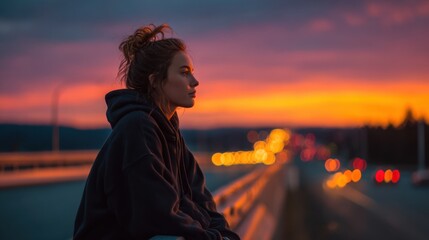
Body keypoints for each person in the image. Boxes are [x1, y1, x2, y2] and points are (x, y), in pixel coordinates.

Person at [73, 24, 240, 240]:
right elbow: (158, 214)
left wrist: (224, 234)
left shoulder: (169, 132)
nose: (195, 81)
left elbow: (199, 200)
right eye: (184, 73)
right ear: (155, 81)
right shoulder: (137, 128)